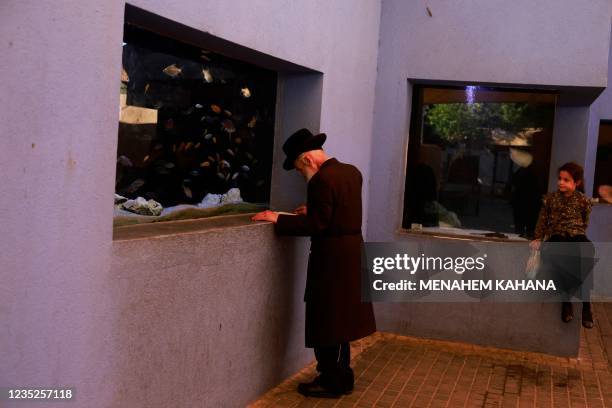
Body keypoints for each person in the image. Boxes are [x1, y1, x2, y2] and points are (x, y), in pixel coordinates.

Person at [251, 128, 376, 398]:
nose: (300, 174)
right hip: (352, 254)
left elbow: (317, 225)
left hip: (331, 259)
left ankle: (330, 381)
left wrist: (278, 219)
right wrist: (316, 209)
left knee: (326, 319)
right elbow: (339, 210)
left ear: (307, 160)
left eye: (297, 168)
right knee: (342, 320)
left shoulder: (321, 181)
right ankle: (343, 377)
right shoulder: (351, 172)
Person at [530, 162, 595, 328]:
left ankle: (586, 304)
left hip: (576, 236)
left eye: (566, 180)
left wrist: (576, 234)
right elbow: (542, 219)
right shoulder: (550, 199)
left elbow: (584, 222)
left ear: (577, 183)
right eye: (560, 179)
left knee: (586, 255)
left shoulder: (583, 201)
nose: (561, 182)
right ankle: (566, 301)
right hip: (557, 237)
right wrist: (538, 237)